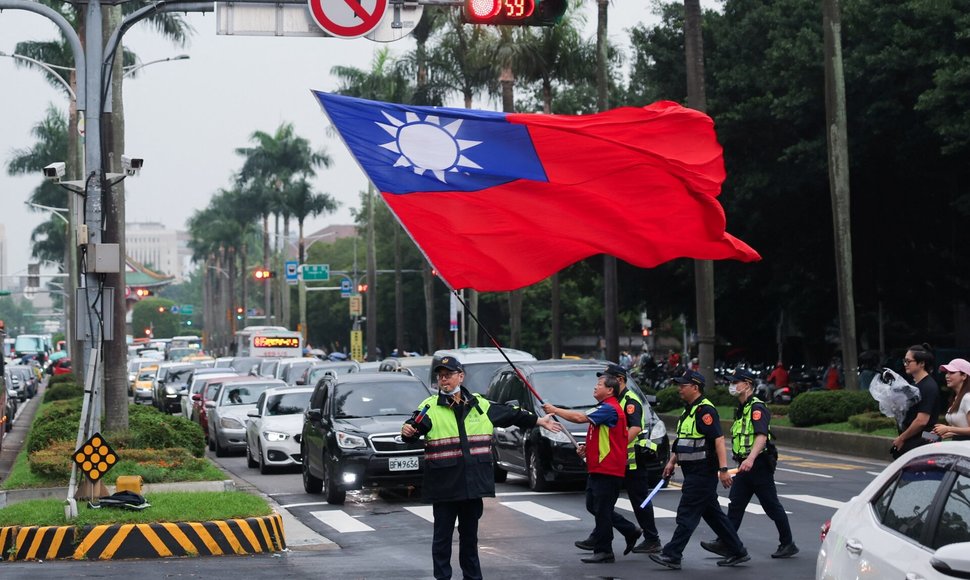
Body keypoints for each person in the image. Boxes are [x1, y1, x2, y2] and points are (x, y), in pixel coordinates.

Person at [401, 356, 561, 580]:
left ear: (460, 376)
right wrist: (408, 431)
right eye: (440, 376)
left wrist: (539, 420)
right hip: (444, 487)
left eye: (448, 375)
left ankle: (473, 577)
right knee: (442, 539)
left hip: (472, 485)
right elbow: (413, 427)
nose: (444, 380)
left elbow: (511, 414)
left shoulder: (480, 405)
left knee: (470, 539)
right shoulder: (429, 407)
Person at [649, 370, 749, 570]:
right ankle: (738, 551)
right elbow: (685, 441)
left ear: (695, 387)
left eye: (683, 385)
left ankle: (672, 554)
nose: (679, 389)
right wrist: (672, 461)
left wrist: (723, 469)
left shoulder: (705, 411)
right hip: (693, 471)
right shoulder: (689, 411)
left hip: (702, 472)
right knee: (713, 515)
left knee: (687, 513)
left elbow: (718, 440)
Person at [700, 369, 798, 560]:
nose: (732, 386)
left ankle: (788, 543)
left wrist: (751, 458)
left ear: (747, 384)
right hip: (745, 466)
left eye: (735, 382)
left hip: (758, 465)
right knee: (736, 504)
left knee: (771, 506)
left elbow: (761, 436)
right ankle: (725, 542)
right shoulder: (742, 408)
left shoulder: (756, 408)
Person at [570, 364, 664, 555]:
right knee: (598, 501)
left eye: (608, 378)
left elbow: (635, 428)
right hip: (613, 461)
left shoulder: (630, 401)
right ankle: (608, 534)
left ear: (619, 380)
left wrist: (617, 448)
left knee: (638, 500)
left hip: (631, 460)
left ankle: (652, 539)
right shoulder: (609, 402)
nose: (602, 382)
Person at [543, 372, 636, 564]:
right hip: (598, 468)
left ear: (610, 390)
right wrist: (587, 449)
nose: (595, 387)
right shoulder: (603, 408)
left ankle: (604, 550)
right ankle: (628, 530)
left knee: (601, 509)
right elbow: (603, 437)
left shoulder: (609, 409)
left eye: (600, 384)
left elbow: (578, 418)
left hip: (608, 469)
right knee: (594, 505)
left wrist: (554, 410)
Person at [893, 343, 940, 458]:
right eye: (905, 361)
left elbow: (921, 421)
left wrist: (902, 438)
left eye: (909, 361)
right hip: (915, 440)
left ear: (922, 363)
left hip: (922, 441)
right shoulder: (915, 385)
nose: (905, 364)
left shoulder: (929, 386)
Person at [932, 358, 970, 441]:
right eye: (946, 372)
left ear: (964, 376)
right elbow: (962, 427)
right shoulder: (956, 398)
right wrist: (945, 432)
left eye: (952, 372)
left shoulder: (967, 398)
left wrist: (948, 429)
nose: (947, 376)